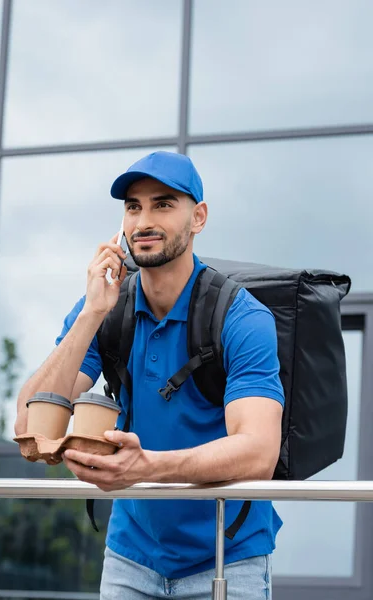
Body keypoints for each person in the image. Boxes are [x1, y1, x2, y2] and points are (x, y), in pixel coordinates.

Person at [15, 151, 285, 600]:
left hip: (226, 555)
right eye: (133, 206)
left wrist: (147, 469)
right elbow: (29, 424)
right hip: (131, 558)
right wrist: (92, 313)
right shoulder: (106, 308)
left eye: (162, 204)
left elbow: (259, 452)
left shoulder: (242, 318)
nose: (143, 220)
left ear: (198, 217)